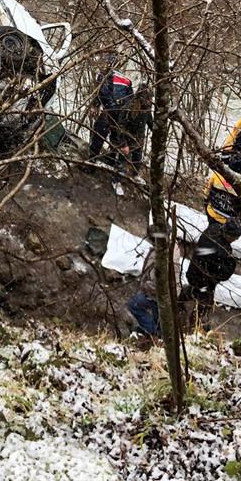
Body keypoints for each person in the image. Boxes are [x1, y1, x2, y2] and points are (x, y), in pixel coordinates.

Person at [179, 217, 241, 329]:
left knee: (193, 290)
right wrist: (231, 262)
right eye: (235, 237)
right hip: (204, 281)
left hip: (194, 271)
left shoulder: (213, 229)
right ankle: (193, 325)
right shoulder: (220, 250)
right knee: (205, 303)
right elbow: (224, 274)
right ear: (229, 234)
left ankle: (179, 303)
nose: (235, 240)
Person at [127, 226, 182, 339]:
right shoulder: (170, 247)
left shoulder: (165, 258)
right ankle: (156, 333)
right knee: (158, 317)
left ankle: (155, 334)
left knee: (135, 305)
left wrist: (146, 286)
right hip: (163, 294)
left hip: (160, 295)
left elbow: (159, 282)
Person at [89, 61, 134, 196]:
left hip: (117, 114)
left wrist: (95, 105)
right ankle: (93, 162)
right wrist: (95, 105)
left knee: (118, 143)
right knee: (102, 137)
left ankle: (114, 176)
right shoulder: (109, 77)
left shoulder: (107, 77)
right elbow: (100, 94)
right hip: (111, 113)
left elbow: (129, 102)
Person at [204, 153, 241, 225]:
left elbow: (206, 192)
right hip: (230, 221)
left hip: (212, 212)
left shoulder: (218, 175)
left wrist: (206, 203)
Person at [124, 85, 153, 186]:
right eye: (149, 98)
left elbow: (151, 123)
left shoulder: (147, 109)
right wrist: (124, 143)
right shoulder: (130, 106)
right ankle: (117, 179)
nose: (151, 100)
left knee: (137, 158)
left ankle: (135, 175)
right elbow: (121, 125)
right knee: (121, 161)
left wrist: (159, 131)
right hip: (127, 138)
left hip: (139, 139)